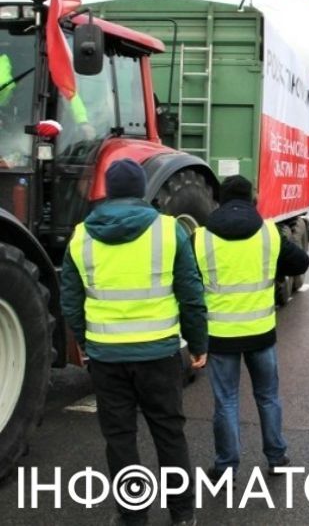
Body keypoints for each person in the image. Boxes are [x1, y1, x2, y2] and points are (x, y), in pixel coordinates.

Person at [59, 160, 207, 526]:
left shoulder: (81, 236)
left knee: (121, 438)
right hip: (159, 354)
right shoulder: (168, 231)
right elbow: (191, 294)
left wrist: (85, 340)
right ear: (142, 189)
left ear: (108, 190)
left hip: (107, 358)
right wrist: (199, 343)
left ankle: (132, 514)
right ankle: (182, 514)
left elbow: (70, 301)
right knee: (169, 433)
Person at [195, 175, 309, 482]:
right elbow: (301, 263)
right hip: (261, 333)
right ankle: (276, 457)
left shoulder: (201, 237)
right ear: (252, 200)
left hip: (220, 336)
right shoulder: (269, 234)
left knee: (226, 402)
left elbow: (190, 280)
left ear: (218, 200)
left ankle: (226, 468)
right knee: (268, 396)